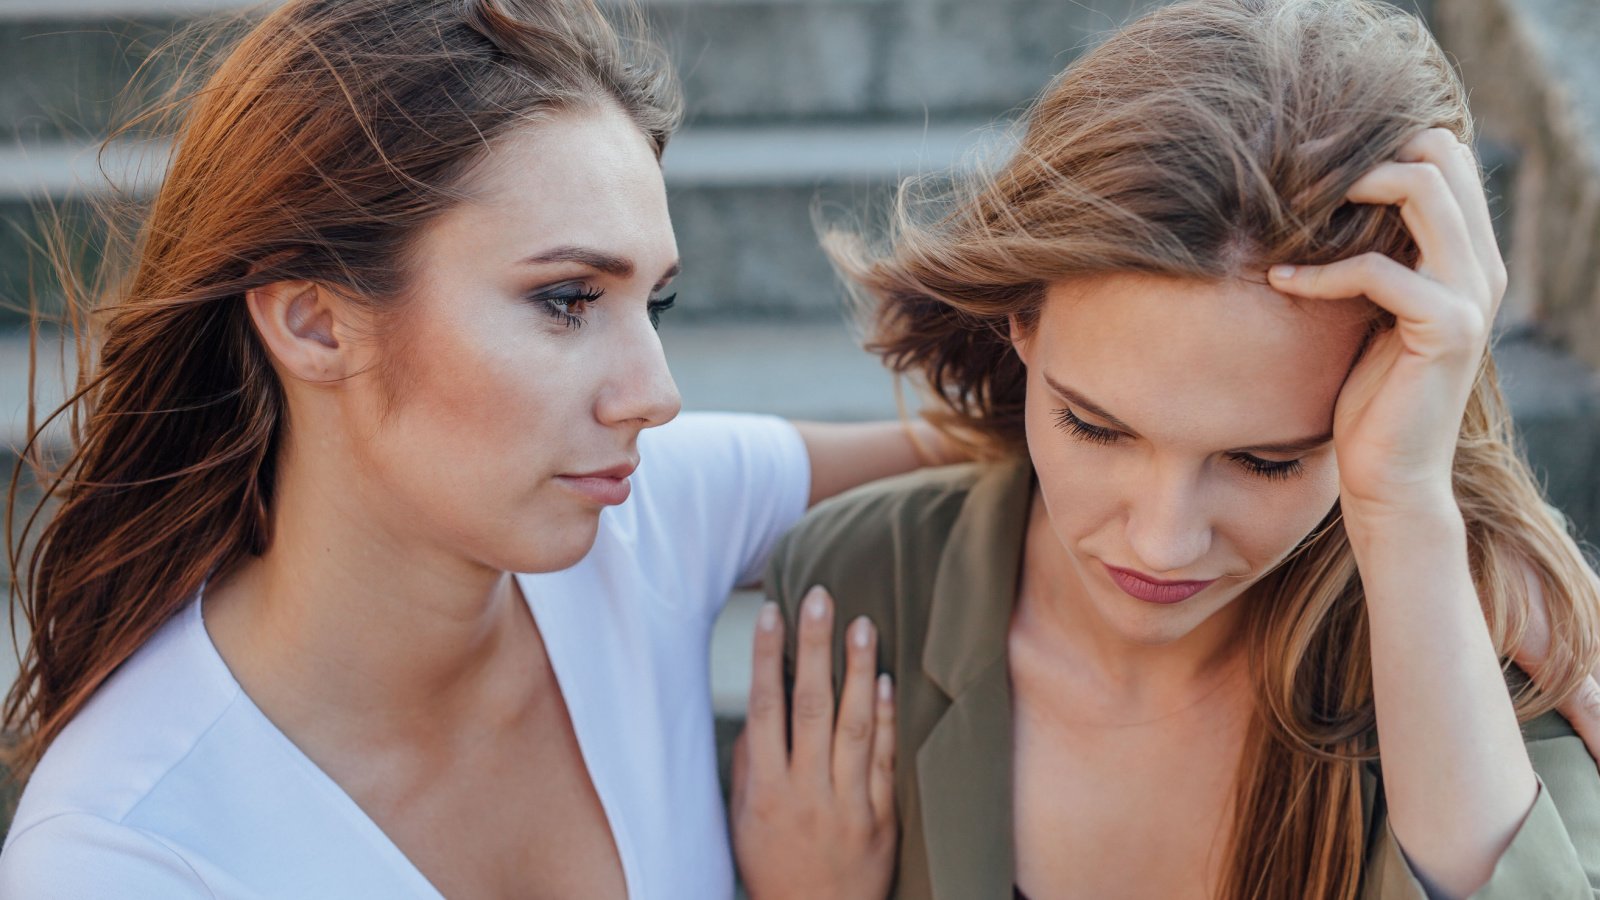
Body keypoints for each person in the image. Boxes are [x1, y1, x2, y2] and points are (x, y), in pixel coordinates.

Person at [0, 1, 943, 897]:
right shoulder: (126, 857)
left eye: (653, 304)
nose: (656, 396)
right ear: (315, 323)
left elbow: (1020, 451)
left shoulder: (644, 521)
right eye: (568, 300)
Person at [730, 1, 1600, 898]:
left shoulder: (1483, 646)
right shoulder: (866, 589)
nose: (1161, 542)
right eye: (1095, 427)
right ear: (1020, 324)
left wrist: (1410, 505)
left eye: (1267, 461)